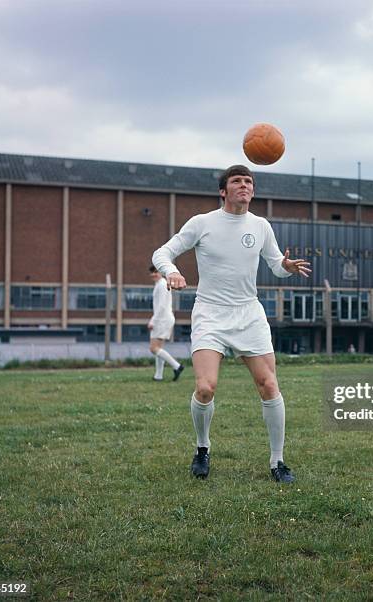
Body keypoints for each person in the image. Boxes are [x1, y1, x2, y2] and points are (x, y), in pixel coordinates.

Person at [152, 165, 311, 483]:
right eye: (237, 181)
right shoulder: (202, 223)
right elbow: (163, 252)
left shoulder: (261, 226)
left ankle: (277, 462)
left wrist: (287, 266)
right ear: (223, 191)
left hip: (249, 314)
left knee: (268, 385)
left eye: (249, 181)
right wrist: (171, 271)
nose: (244, 185)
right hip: (210, 314)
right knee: (205, 388)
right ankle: (202, 448)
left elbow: (276, 264)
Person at [148, 264, 184, 382]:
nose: (153, 274)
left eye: (156, 272)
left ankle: (177, 366)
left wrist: (153, 320)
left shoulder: (162, 284)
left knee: (154, 348)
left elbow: (162, 305)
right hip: (162, 318)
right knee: (159, 348)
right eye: (152, 272)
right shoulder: (159, 284)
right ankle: (158, 375)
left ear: (161, 272)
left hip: (162, 319)